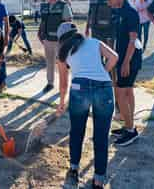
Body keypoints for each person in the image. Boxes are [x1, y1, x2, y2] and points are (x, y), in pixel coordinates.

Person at [56, 22, 118, 188]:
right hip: (104, 88)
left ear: (61, 39)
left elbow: (63, 83)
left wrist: (61, 103)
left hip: (79, 88)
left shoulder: (63, 53)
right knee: (101, 136)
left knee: (76, 131)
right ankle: (98, 180)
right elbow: (114, 57)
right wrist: (103, 72)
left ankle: (74, 170)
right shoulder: (94, 42)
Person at [103, 0, 143, 146]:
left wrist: (126, 62)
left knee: (120, 94)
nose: (108, 2)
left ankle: (130, 130)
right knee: (127, 92)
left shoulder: (130, 12)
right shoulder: (118, 12)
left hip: (130, 58)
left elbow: (133, 40)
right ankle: (129, 125)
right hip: (121, 57)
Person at [38, 0, 73, 92]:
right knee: (49, 62)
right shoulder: (45, 6)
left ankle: (64, 85)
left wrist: (66, 39)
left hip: (60, 41)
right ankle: (50, 83)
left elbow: (69, 22)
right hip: (48, 39)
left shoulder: (63, 6)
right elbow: (43, 21)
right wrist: (40, 33)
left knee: (62, 63)